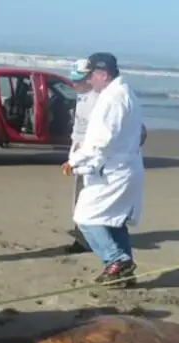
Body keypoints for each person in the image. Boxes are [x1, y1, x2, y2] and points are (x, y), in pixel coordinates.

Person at [61, 52, 145, 285]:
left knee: (86, 217)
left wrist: (74, 161)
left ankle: (116, 260)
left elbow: (101, 142)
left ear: (103, 74)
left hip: (115, 171)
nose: (88, 81)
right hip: (125, 167)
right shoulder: (126, 93)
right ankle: (124, 273)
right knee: (114, 220)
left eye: (91, 76)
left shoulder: (112, 99)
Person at [64, 58, 100, 254]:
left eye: (78, 79)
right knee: (79, 197)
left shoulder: (98, 100)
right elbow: (78, 129)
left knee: (88, 197)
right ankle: (82, 235)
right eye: (73, 79)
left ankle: (86, 239)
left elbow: (97, 135)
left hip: (90, 156)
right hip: (78, 153)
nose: (74, 83)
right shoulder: (82, 97)